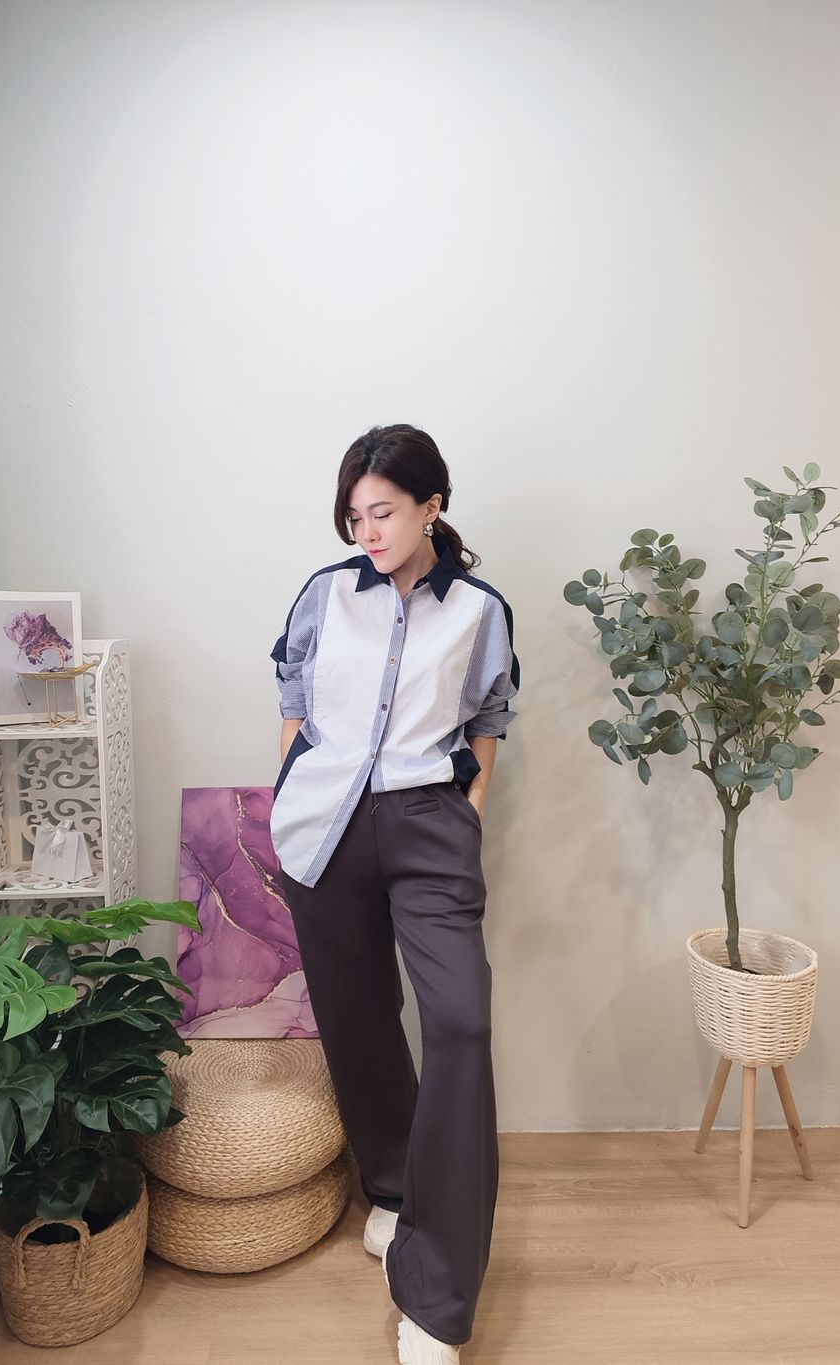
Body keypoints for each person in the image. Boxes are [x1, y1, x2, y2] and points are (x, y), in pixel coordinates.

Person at [268, 423, 520, 1365]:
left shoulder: (480, 610)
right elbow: (294, 703)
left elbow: (489, 716)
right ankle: (393, 1187)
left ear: (431, 506)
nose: (366, 531)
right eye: (354, 516)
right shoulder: (326, 594)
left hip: (427, 820)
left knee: (461, 1021)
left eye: (382, 511)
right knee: (359, 1016)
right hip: (327, 825)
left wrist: (469, 813)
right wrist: (289, 797)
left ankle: (438, 1296)